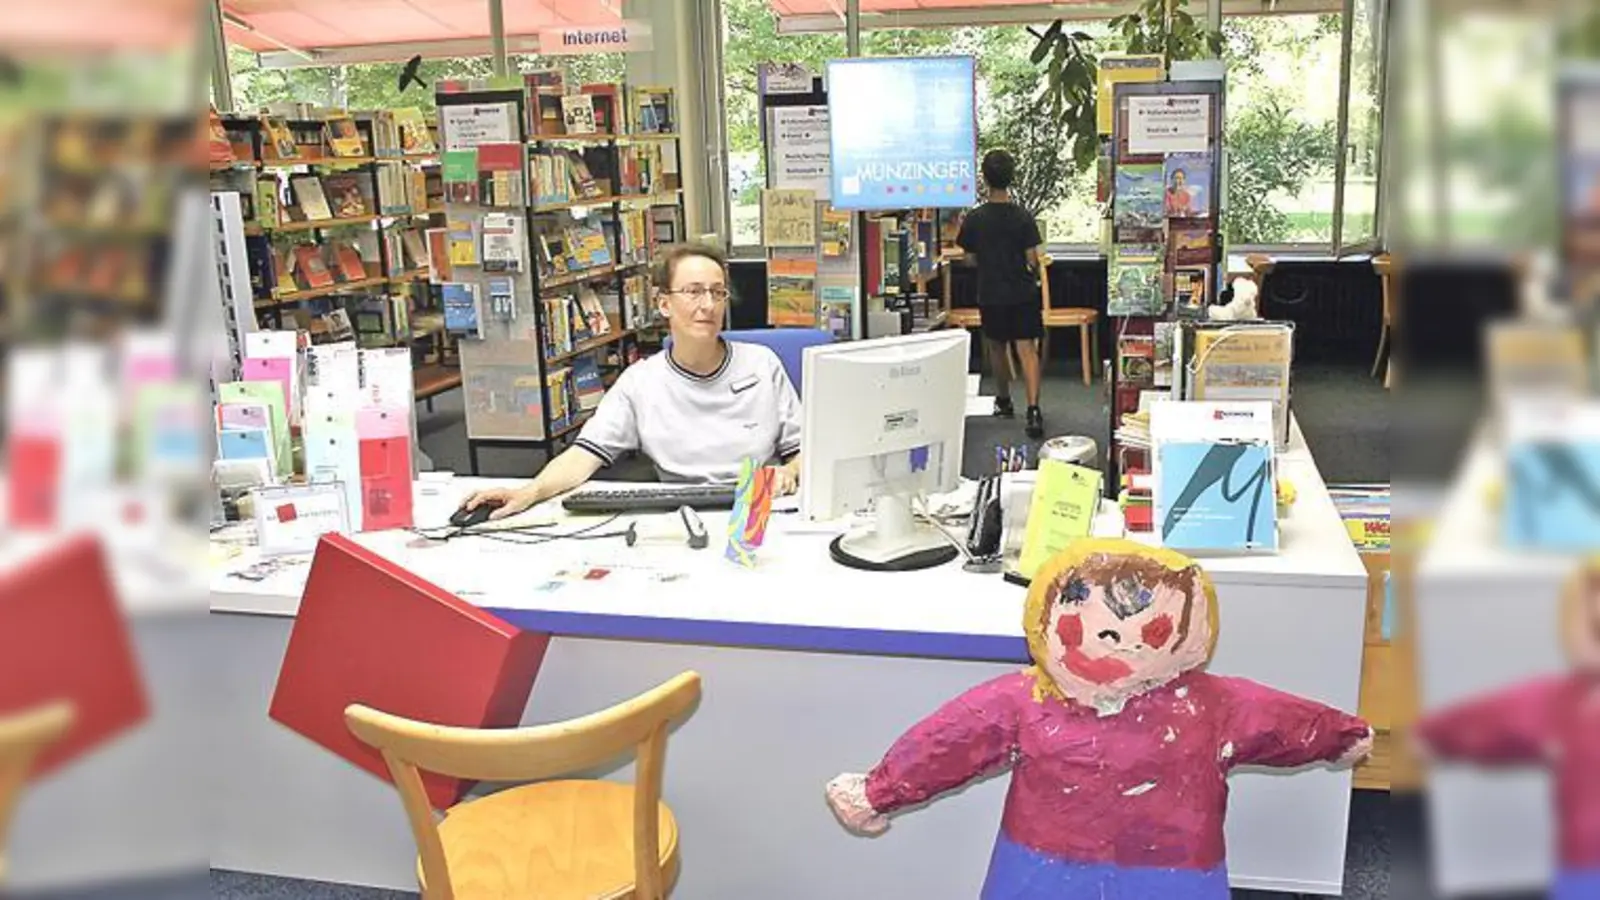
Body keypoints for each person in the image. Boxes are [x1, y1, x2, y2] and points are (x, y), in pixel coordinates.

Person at [459, 243, 803, 520]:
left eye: (717, 293)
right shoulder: (641, 381)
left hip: (761, 509)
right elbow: (584, 454)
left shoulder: (761, 364)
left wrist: (790, 472)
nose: (708, 305)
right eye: (694, 292)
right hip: (679, 513)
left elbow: (807, 450)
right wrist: (529, 492)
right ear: (664, 303)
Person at [958, 149, 1046, 438]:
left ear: (984, 179)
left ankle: (1004, 400)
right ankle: (1033, 409)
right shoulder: (1023, 217)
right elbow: (1033, 258)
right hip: (1021, 291)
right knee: (1026, 348)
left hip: (990, 291)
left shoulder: (975, 218)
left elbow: (969, 258)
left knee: (996, 346)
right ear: (1012, 178)